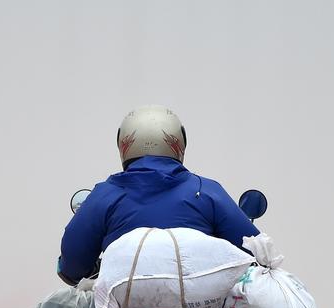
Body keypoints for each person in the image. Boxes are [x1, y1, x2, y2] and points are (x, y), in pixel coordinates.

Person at [57, 105, 259, 285]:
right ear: (179, 142)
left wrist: (74, 269)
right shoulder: (206, 191)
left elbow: (72, 265)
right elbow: (254, 251)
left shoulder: (105, 194)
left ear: (124, 144)